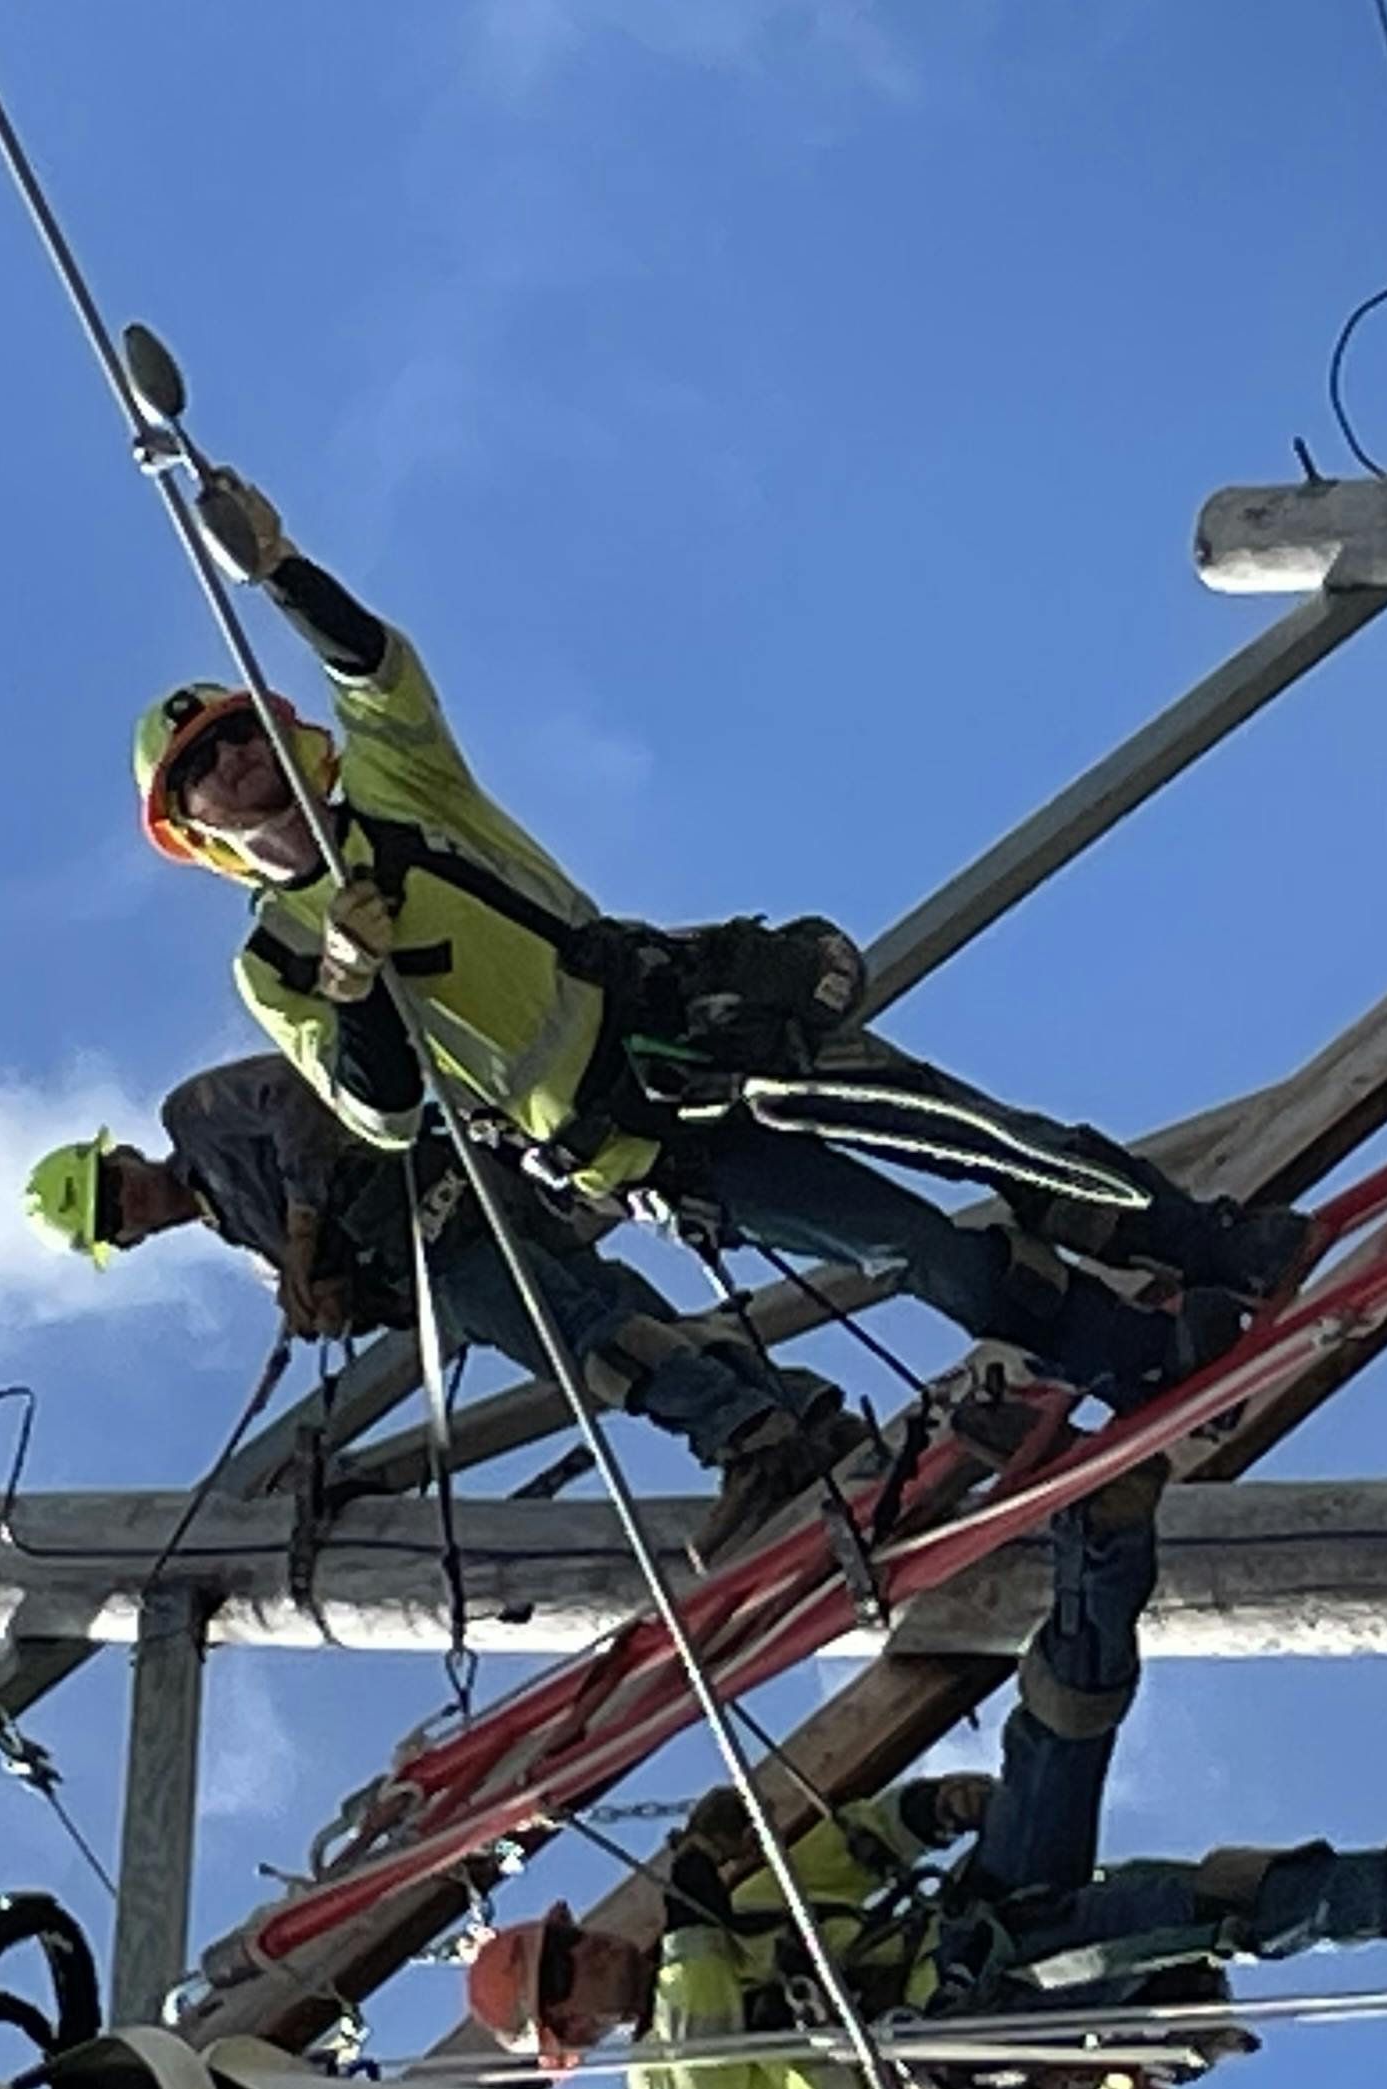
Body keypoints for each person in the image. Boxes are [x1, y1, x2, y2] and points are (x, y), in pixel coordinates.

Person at [124, 465, 1319, 1418]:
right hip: (626, 1140)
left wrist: (280, 569)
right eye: (207, 773)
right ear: (197, 832)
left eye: (239, 736)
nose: (238, 764)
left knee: (963, 1131)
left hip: (681, 1022)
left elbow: (376, 672)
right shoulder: (276, 963)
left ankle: (1203, 1241)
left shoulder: (394, 784)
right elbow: (379, 1114)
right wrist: (356, 981)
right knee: (911, 1251)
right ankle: (1132, 1356)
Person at [463, 1459, 1387, 2089]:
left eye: (568, 1941)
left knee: (1055, 1735)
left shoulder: (741, 1923)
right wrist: (698, 1905)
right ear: (572, 2031)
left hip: (976, 1926)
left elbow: (849, 1854)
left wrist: (929, 1811)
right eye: (567, 1975)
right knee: (1179, 1906)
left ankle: (1102, 1533)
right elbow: (721, 2053)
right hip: (958, 2036)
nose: (589, 1952)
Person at [23, 1054, 871, 1547]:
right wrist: (334, 1300)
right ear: (125, 1244)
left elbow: (298, 1098)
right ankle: (797, 1415)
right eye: (112, 1217)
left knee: (582, 1343)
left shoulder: (195, 1119)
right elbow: (371, 1292)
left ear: (125, 1155)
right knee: (626, 1319)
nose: (127, 1204)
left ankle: (747, 1437)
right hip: (438, 1244)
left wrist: (307, 1243)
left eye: (114, 1187)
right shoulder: (243, 1239)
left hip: (443, 1207)